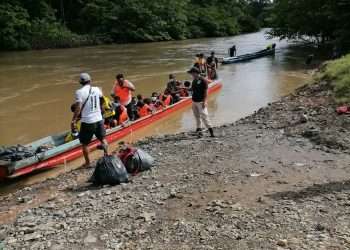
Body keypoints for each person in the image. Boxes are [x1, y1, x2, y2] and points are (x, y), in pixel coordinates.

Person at [71, 73, 108, 166]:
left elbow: (78, 107)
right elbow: (102, 99)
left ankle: (88, 163)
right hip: (99, 119)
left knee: (84, 144)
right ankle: (106, 156)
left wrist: (74, 120)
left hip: (88, 121)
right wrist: (100, 109)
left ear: (80, 82)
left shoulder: (79, 92)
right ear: (90, 81)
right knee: (103, 139)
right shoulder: (97, 89)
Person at [187, 67, 214, 137]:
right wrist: (184, 88)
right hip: (194, 101)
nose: (191, 74)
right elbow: (192, 89)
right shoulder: (194, 80)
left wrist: (204, 101)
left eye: (192, 73)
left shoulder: (203, 80)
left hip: (201, 102)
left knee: (204, 116)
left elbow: (206, 92)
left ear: (195, 73)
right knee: (197, 116)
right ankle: (198, 129)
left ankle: (211, 132)